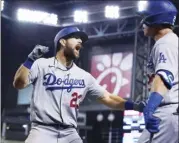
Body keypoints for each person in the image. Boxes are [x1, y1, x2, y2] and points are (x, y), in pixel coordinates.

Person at [13, 27, 144, 143]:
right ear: (62, 42)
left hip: (70, 133)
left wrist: (135, 106)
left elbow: (109, 98)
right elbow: (19, 84)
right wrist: (30, 60)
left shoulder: (84, 76)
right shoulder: (41, 64)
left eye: (81, 39)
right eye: (76, 37)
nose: (80, 41)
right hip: (42, 131)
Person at [137, 1, 179, 143]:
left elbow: (164, 76)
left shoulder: (165, 44)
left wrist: (150, 107)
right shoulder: (172, 42)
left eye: (145, 17)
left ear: (155, 19)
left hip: (168, 113)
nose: (142, 22)